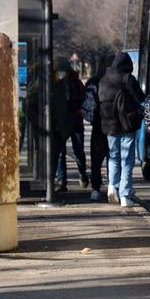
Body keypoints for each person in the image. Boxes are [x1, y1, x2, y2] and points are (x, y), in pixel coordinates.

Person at [97, 52, 144, 208]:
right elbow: (141, 97)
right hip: (127, 125)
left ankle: (112, 186)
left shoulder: (104, 80)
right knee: (127, 160)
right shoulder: (127, 78)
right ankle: (125, 194)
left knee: (113, 157)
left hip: (109, 127)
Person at [52, 59, 86, 193]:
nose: (61, 74)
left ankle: (82, 173)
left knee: (77, 151)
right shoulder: (54, 85)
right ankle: (62, 181)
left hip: (75, 122)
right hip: (62, 123)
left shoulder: (76, 84)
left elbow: (83, 100)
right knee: (61, 153)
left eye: (63, 72)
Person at [84, 55, 112, 202]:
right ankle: (114, 187)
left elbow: (87, 108)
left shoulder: (93, 82)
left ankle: (96, 189)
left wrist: (93, 119)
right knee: (114, 158)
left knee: (96, 160)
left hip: (98, 127)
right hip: (115, 126)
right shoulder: (120, 82)